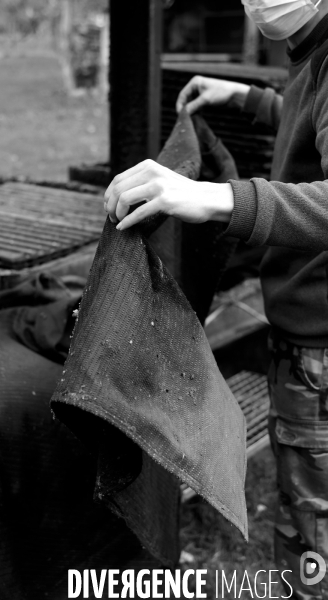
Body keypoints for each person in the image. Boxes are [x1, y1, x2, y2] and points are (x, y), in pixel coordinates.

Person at [104, 0, 328, 597]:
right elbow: (311, 128)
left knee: (314, 539)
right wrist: (246, 97)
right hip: (305, 340)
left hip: (319, 355)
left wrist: (214, 198)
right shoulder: (312, 45)